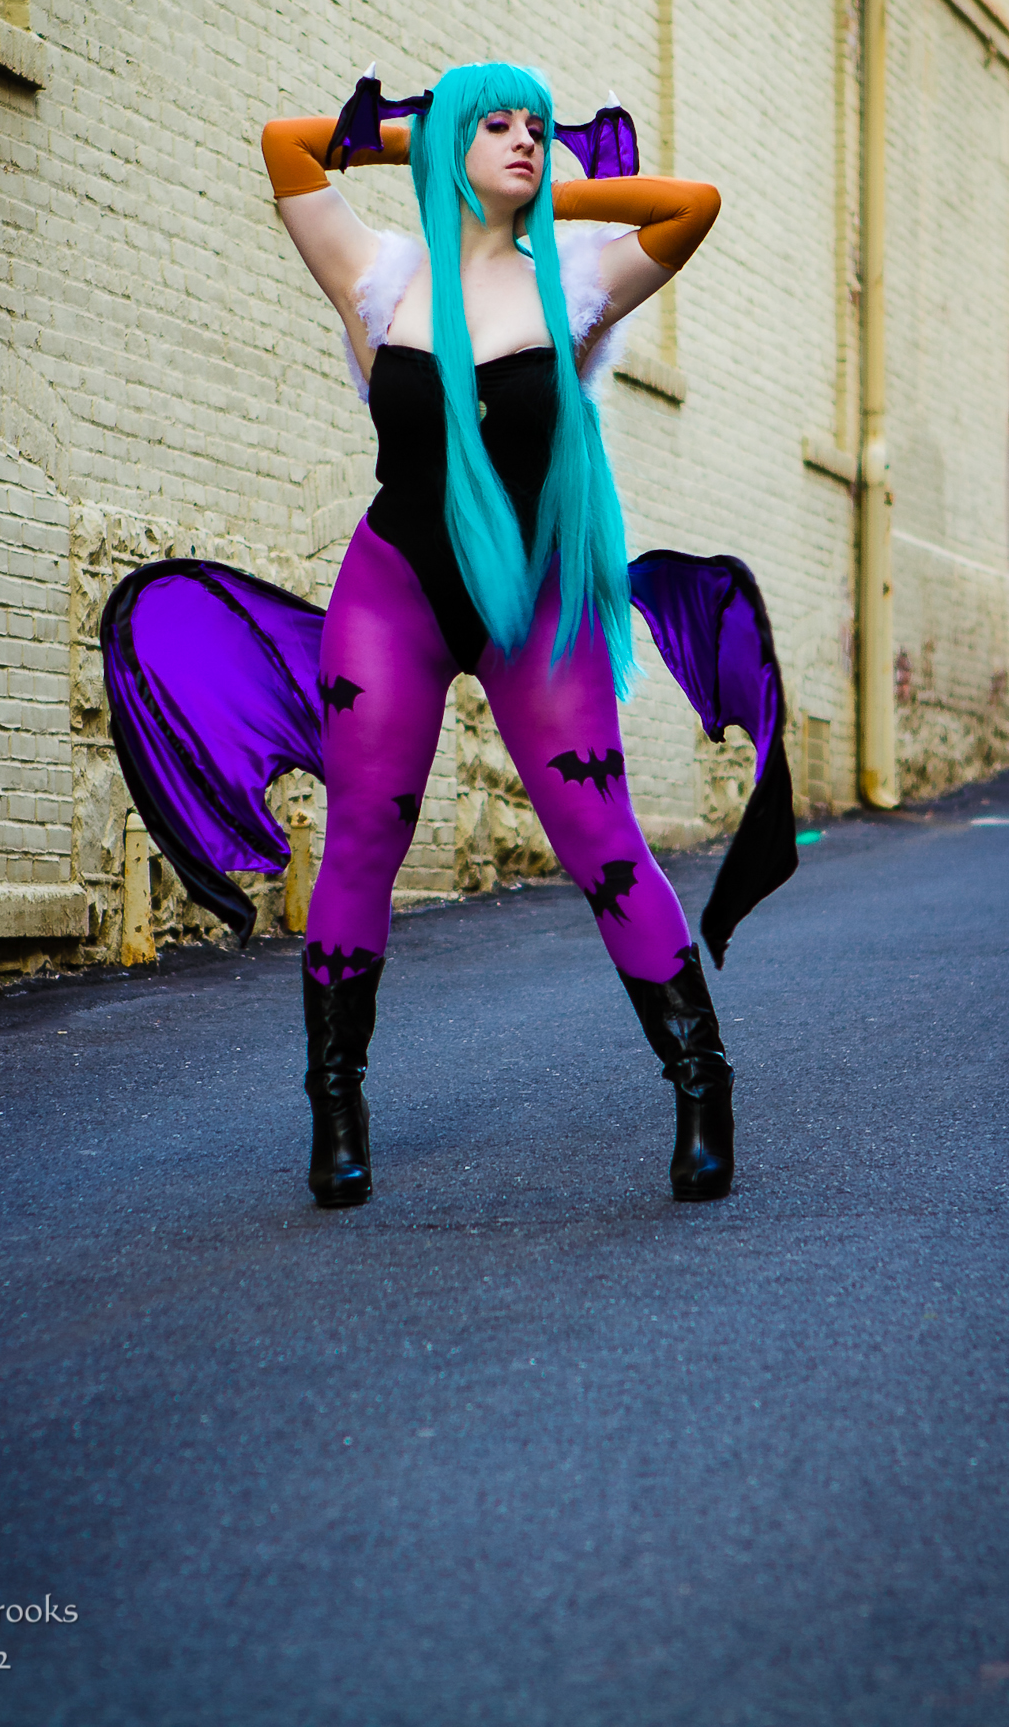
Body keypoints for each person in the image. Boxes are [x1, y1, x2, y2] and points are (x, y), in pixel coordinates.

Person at [260, 60, 737, 1211]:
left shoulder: (574, 282)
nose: (526, 138)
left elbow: (693, 205)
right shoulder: (377, 272)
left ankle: (701, 1084)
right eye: (498, 126)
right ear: (450, 142)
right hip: (396, 590)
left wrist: (542, 191)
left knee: (602, 840)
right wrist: (416, 143)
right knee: (362, 836)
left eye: (538, 125)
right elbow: (286, 146)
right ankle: (337, 1105)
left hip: (537, 595)